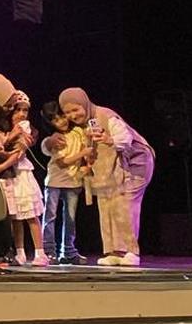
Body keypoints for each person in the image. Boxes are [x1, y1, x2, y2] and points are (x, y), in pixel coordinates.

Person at [59, 87, 155, 267]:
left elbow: (124, 139)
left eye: (75, 109)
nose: (72, 115)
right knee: (107, 204)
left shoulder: (106, 116)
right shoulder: (85, 125)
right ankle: (114, 251)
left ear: (85, 104)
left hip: (135, 164)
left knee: (125, 204)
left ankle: (131, 251)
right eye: (67, 112)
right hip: (111, 170)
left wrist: (109, 139)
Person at [0, 84, 50, 267]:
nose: (22, 114)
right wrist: (5, 145)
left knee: (30, 214)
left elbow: (19, 153)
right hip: (11, 176)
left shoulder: (24, 127)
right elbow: (2, 146)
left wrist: (2, 162)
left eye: (25, 110)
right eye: (18, 110)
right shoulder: (5, 126)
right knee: (15, 216)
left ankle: (40, 252)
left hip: (21, 173)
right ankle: (20, 252)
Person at [39, 100, 92, 265]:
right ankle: (48, 251)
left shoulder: (78, 131)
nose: (61, 121)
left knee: (70, 219)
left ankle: (68, 251)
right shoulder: (56, 138)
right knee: (50, 217)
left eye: (62, 116)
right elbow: (62, 162)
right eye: (55, 120)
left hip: (73, 182)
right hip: (55, 182)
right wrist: (83, 153)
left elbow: (87, 147)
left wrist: (86, 163)